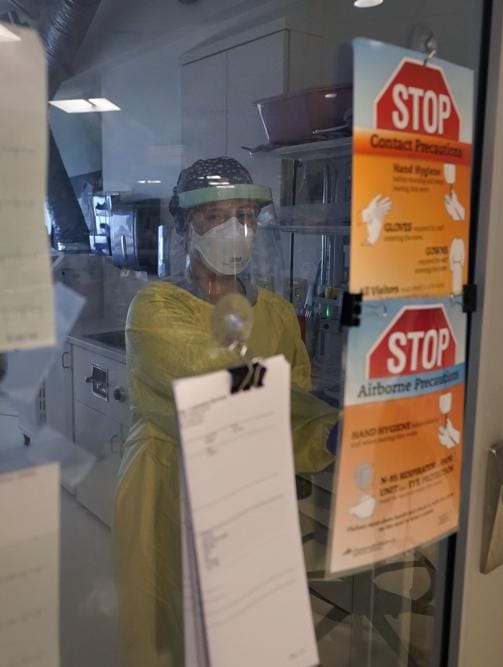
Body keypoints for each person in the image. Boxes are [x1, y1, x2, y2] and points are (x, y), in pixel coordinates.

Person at [113, 157, 339, 666]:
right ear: (186, 227)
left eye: (246, 215)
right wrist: (287, 398)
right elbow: (208, 382)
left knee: (245, 626)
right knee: (172, 627)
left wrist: (323, 433)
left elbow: (289, 406)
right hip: (169, 484)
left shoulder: (276, 313)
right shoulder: (155, 309)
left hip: (249, 485)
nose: (236, 230)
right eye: (216, 217)